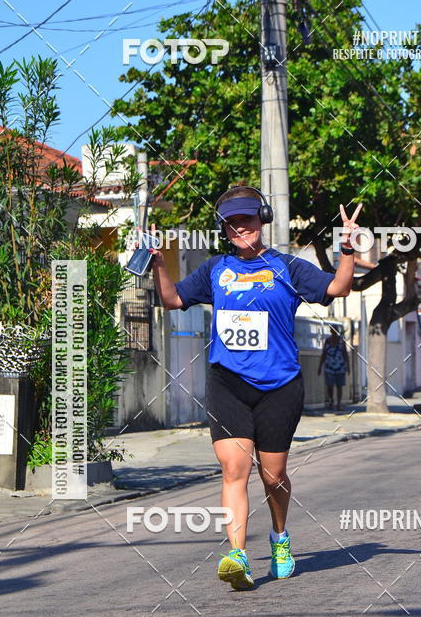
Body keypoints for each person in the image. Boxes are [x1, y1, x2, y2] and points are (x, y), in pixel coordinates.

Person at [149, 185, 360, 589]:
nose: (239, 228)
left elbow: (337, 288)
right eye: (231, 222)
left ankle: (280, 537)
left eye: (246, 219)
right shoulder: (215, 269)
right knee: (235, 469)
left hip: (279, 385)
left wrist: (347, 249)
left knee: (273, 476)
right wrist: (159, 264)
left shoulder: (288, 267)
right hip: (228, 383)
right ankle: (238, 556)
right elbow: (173, 299)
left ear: (262, 219)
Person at [318, 326, 350, 411]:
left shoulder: (341, 341)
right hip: (329, 367)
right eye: (333, 330)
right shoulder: (327, 341)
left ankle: (339, 404)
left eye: (335, 330)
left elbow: (345, 354)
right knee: (330, 385)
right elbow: (324, 353)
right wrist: (320, 366)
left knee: (339, 386)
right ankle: (331, 401)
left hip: (340, 367)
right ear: (331, 331)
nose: (334, 332)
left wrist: (348, 366)